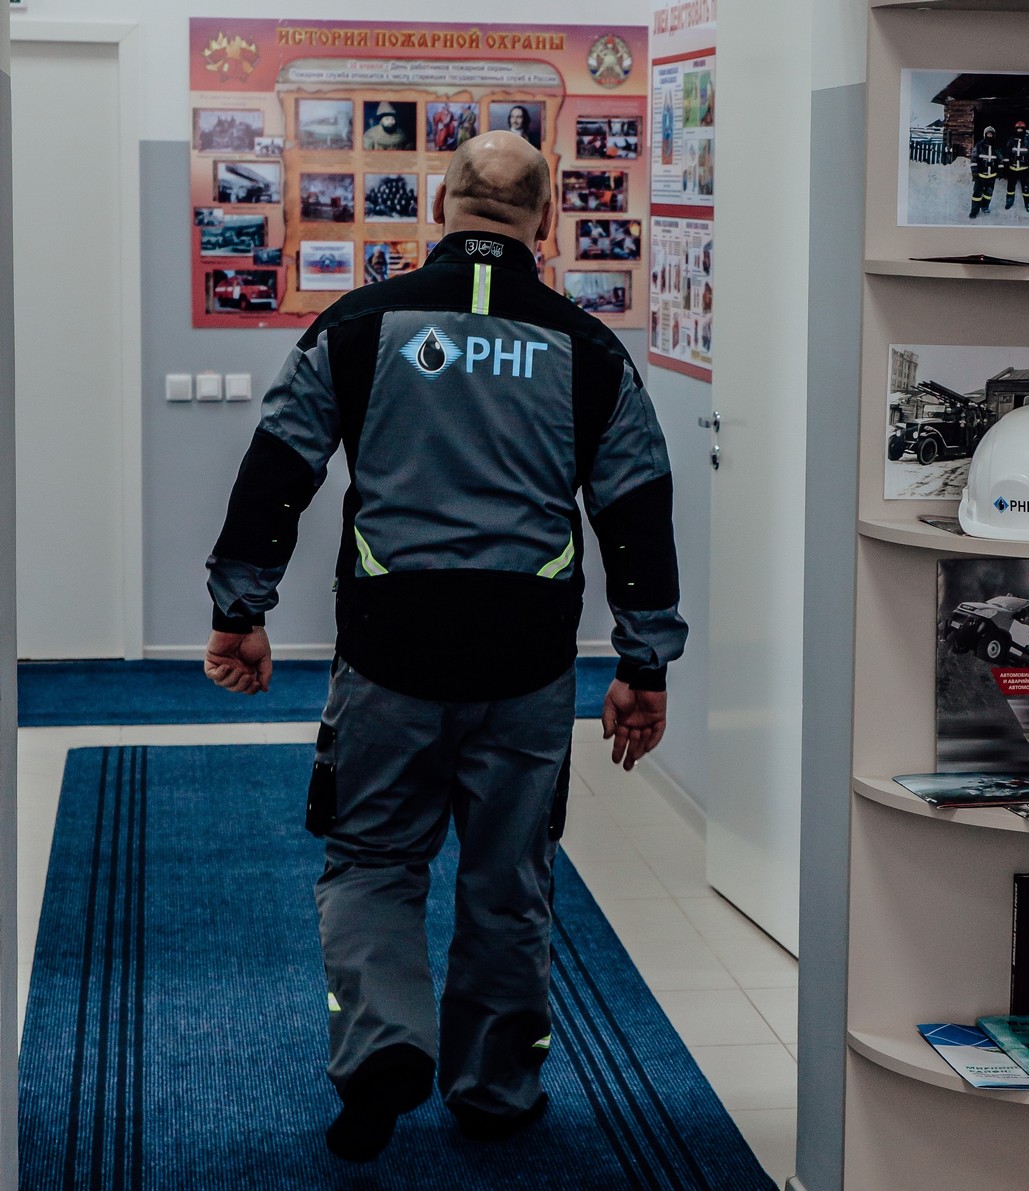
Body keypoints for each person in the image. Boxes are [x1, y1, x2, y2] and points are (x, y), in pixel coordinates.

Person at [203, 131, 685, 1161]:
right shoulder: (588, 349)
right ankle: (494, 1089)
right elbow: (637, 511)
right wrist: (643, 665)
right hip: (527, 660)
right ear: (546, 221)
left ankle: (383, 1043)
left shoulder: (357, 324)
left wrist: (239, 609)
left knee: (372, 860)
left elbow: (278, 466)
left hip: (391, 651)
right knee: (509, 877)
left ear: (438, 206)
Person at [1003, 119, 1029, 214]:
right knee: (1010, 187)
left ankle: (1028, 204)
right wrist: (1006, 163)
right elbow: (1006, 151)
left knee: (1026, 188)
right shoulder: (1011, 139)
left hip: (1024, 168)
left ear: (1024, 129)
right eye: (1018, 128)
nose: (1019, 130)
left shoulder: (1028, 140)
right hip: (1012, 167)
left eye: (1021, 129)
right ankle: (1009, 201)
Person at [969, 125, 1000, 219]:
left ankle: (985, 206)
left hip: (992, 175)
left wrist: (1000, 170)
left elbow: (1000, 159)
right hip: (980, 174)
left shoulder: (997, 146)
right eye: (988, 134)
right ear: (985, 134)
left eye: (991, 134)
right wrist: (974, 172)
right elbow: (974, 159)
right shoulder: (979, 145)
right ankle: (974, 211)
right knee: (977, 194)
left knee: (988, 193)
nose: (989, 135)